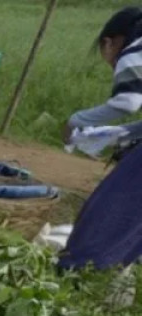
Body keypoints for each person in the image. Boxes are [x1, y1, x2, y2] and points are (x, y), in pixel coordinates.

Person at [60, 8, 142, 270]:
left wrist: (76, 121)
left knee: (109, 210)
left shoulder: (132, 51)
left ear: (109, 42)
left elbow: (127, 102)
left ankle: (78, 272)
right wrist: (116, 135)